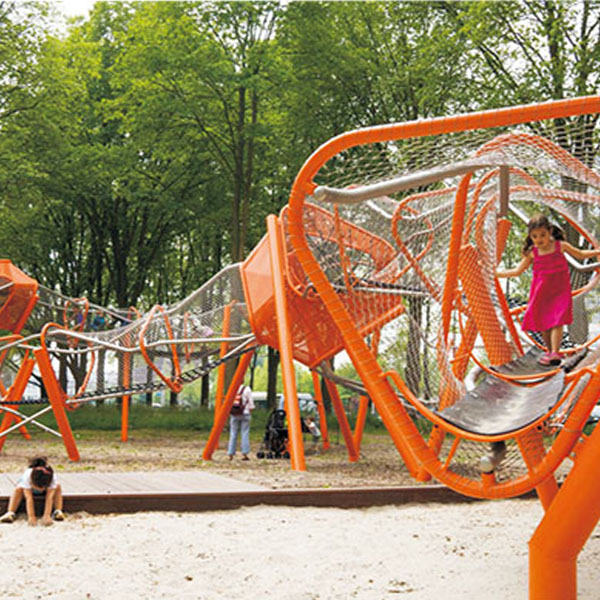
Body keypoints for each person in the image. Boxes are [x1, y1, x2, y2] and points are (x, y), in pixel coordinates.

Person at [496, 213, 600, 366]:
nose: (539, 239)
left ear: (550, 231)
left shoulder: (560, 246)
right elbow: (517, 271)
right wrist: (496, 273)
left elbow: (580, 254)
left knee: (557, 321)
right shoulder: (533, 252)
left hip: (559, 290)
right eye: (535, 236)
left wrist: (597, 252)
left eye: (543, 235)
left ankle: (555, 352)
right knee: (544, 324)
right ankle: (550, 352)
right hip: (541, 293)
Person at [0, 456, 65, 526]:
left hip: (46, 491)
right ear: (31, 482)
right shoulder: (27, 476)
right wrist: (31, 516)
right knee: (18, 489)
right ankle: (11, 512)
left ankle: (58, 511)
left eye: (42, 487)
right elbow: (29, 498)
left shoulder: (51, 477)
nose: (40, 489)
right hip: (28, 490)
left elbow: (49, 497)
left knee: (58, 487)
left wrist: (47, 515)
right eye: (38, 487)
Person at [227, 382, 255, 460]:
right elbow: (251, 403)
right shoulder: (247, 389)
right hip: (245, 413)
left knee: (233, 433)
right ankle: (245, 454)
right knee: (245, 432)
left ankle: (230, 453)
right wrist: (250, 411)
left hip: (234, 414)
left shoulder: (232, 388)